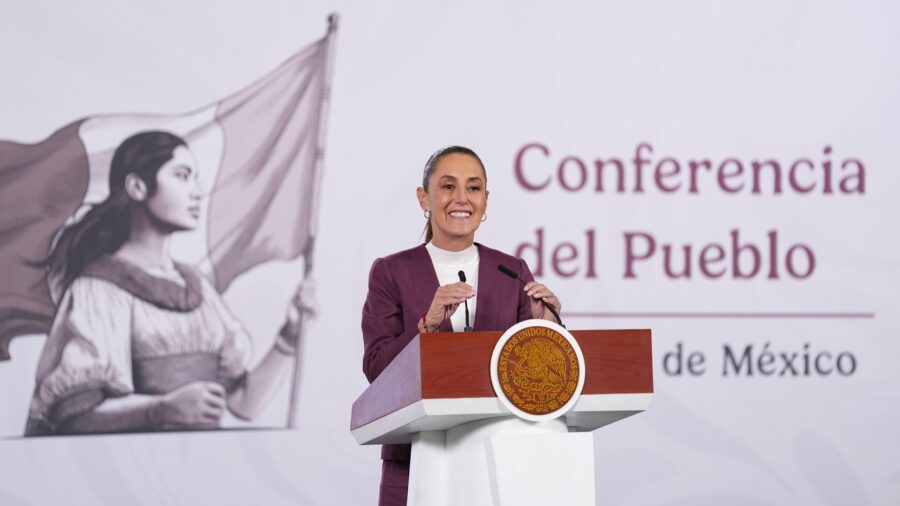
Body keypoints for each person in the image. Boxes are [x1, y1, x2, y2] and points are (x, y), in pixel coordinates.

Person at [25, 130, 310, 436]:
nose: (197, 192)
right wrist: (161, 409)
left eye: (195, 178)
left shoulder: (197, 287)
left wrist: (289, 336)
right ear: (137, 187)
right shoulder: (98, 289)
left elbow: (244, 403)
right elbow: (74, 417)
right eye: (182, 176)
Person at [360, 145, 563, 505]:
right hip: (415, 460)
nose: (462, 198)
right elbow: (376, 368)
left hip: (500, 459)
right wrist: (427, 326)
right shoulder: (391, 272)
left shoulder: (512, 271)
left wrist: (545, 328)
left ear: (485, 200)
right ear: (424, 198)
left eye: (473, 187)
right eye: (448, 186)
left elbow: (535, 380)